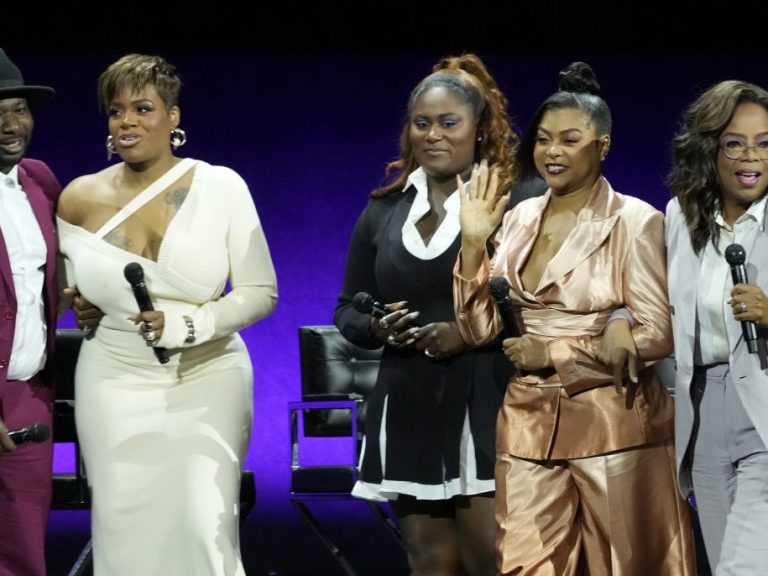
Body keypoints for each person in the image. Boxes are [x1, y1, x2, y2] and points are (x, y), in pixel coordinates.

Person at [453, 61, 696, 575]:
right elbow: (479, 330)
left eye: (569, 139)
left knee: (625, 564)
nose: (553, 152)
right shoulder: (518, 218)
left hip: (612, 422)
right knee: (524, 565)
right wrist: (473, 245)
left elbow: (658, 333)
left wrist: (555, 352)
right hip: (526, 422)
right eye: (543, 140)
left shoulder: (634, 221)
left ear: (602, 145)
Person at [55, 53, 278, 575]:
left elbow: (260, 291)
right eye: (116, 111)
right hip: (112, 380)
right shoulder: (77, 198)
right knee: (123, 528)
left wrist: (186, 325)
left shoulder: (221, 186)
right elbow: (65, 287)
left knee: (202, 523)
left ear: (172, 116)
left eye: (143, 108)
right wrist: (80, 303)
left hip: (207, 374)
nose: (127, 122)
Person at [333, 53, 544, 576]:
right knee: (430, 562)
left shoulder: (517, 200)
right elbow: (346, 307)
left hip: (486, 400)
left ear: (479, 128)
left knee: (489, 558)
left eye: (449, 122)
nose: (434, 135)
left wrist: (468, 334)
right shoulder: (384, 209)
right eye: (422, 123)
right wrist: (377, 327)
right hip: (407, 401)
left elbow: (544, 305)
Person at [0, 47, 105, 576]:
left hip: (28, 393)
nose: (10, 125)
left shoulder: (39, 180)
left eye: (19, 109)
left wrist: (84, 297)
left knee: (22, 548)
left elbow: (59, 269)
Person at [665, 79, 768, 575]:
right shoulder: (680, 217)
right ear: (710, 150)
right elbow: (648, 294)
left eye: (765, 143)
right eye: (735, 143)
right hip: (701, 414)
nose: (752, 156)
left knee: (743, 567)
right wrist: (620, 321)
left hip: (763, 410)